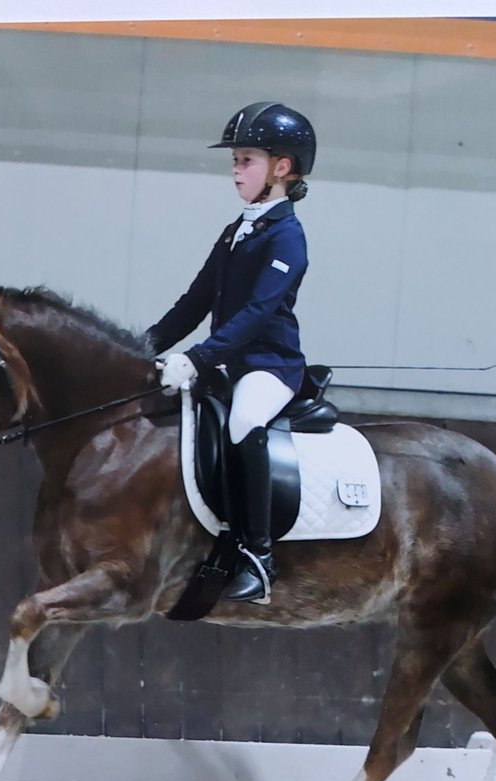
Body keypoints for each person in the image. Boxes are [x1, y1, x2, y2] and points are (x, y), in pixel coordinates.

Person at [145, 100, 315, 604]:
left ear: (281, 168)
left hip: (269, 365)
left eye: (246, 160)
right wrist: (144, 347)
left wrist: (197, 358)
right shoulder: (237, 229)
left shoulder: (288, 235)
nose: (236, 171)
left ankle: (258, 556)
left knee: (244, 423)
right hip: (229, 360)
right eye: (234, 161)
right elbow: (195, 300)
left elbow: (258, 313)